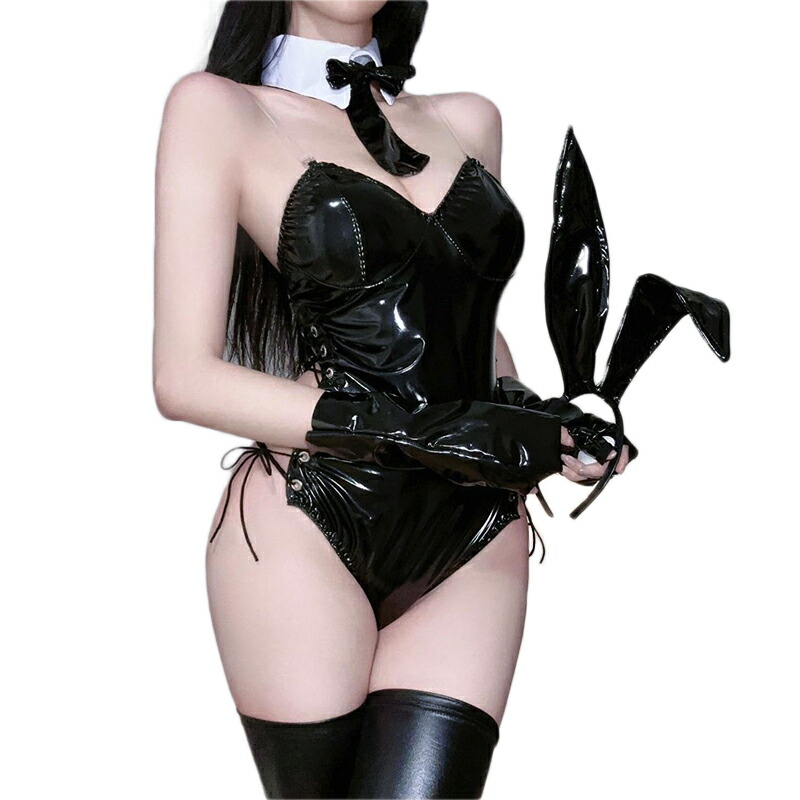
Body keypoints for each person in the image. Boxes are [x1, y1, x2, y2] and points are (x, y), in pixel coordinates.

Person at [153, 1, 631, 797]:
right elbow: (182, 377)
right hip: (309, 514)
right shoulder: (216, 110)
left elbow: (469, 333)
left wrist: (544, 421)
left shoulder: (470, 122)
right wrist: (415, 431)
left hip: (472, 531)